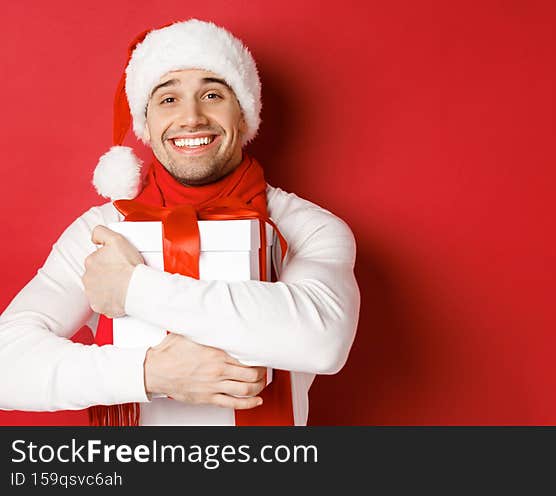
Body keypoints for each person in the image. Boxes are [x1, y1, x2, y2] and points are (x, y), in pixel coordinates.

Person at [0, 19, 360, 426]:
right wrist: (151, 373)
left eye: (211, 94)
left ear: (243, 115)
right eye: (168, 99)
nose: (191, 118)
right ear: (147, 126)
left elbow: (322, 340)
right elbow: (6, 362)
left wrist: (133, 288)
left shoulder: (307, 227)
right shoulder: (100, 231)